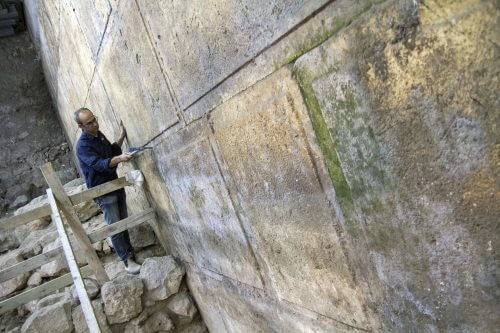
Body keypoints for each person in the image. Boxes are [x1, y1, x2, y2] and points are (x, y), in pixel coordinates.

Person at [74, 108, 141, 274]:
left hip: (114, 184)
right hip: (103, 192)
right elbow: (100, 164)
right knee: (115, 227)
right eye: (89, 123)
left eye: (95, 119)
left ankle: (131, 256)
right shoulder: (83, 146)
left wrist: (122, 136)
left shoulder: (98, 134)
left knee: (123, 223)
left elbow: (111, 152)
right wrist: (119, 159)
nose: (95, 124)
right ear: (80, 126)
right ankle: (127, 262)